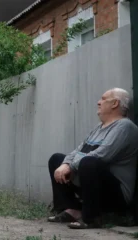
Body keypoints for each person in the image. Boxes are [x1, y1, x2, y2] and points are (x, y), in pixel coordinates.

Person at [47, 88, 138, 229]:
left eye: (103, 98)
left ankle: (92, 217)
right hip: (92, 186)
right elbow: (79, 150)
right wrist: (66, 164)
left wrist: (71, 167)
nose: (98, 102)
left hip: (116, 194)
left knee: (90, 162)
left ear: (115, 103)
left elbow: (102, 154)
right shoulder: (99, 128)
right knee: (57, 159)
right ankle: (71, 210)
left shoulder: (125, 127)